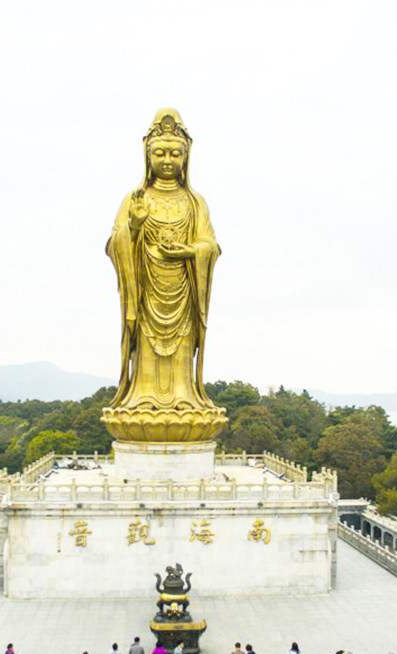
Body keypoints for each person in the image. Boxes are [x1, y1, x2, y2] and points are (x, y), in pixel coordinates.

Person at [103, 109, 226, 440]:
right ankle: (142, 398)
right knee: (146, 344)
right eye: (160, 153)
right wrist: (134, 224)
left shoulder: (194, 202)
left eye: (175, 153)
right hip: (145, 293)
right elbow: (116, 243)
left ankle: (185, 398)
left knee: (182, 346)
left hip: (184, 291)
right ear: (147, 155)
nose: (168, 160)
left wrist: (191, 252)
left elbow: (209, 245)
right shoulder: (135, 198)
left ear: (186, 157)